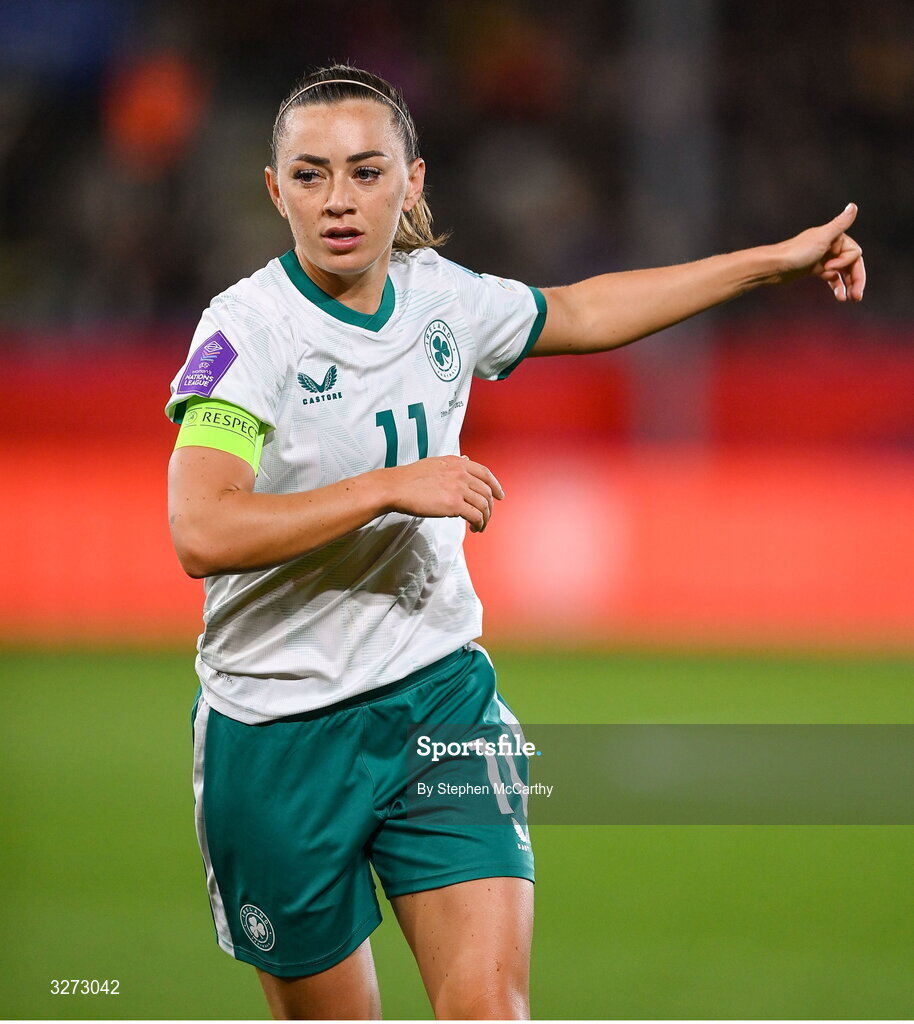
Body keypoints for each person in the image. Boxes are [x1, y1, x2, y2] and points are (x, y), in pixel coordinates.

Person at [165, 64, 865, 1020]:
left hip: (438, 695)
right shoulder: (248, 337)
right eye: (312, 174)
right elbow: (201, 527)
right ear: (273, 188)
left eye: (368, 172)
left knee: (491, 1012)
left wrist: (768, 265)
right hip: (279, 730)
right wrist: (385, 490)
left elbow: (577, 311)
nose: (340, 199)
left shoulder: (440, 298)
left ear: (412, 184)